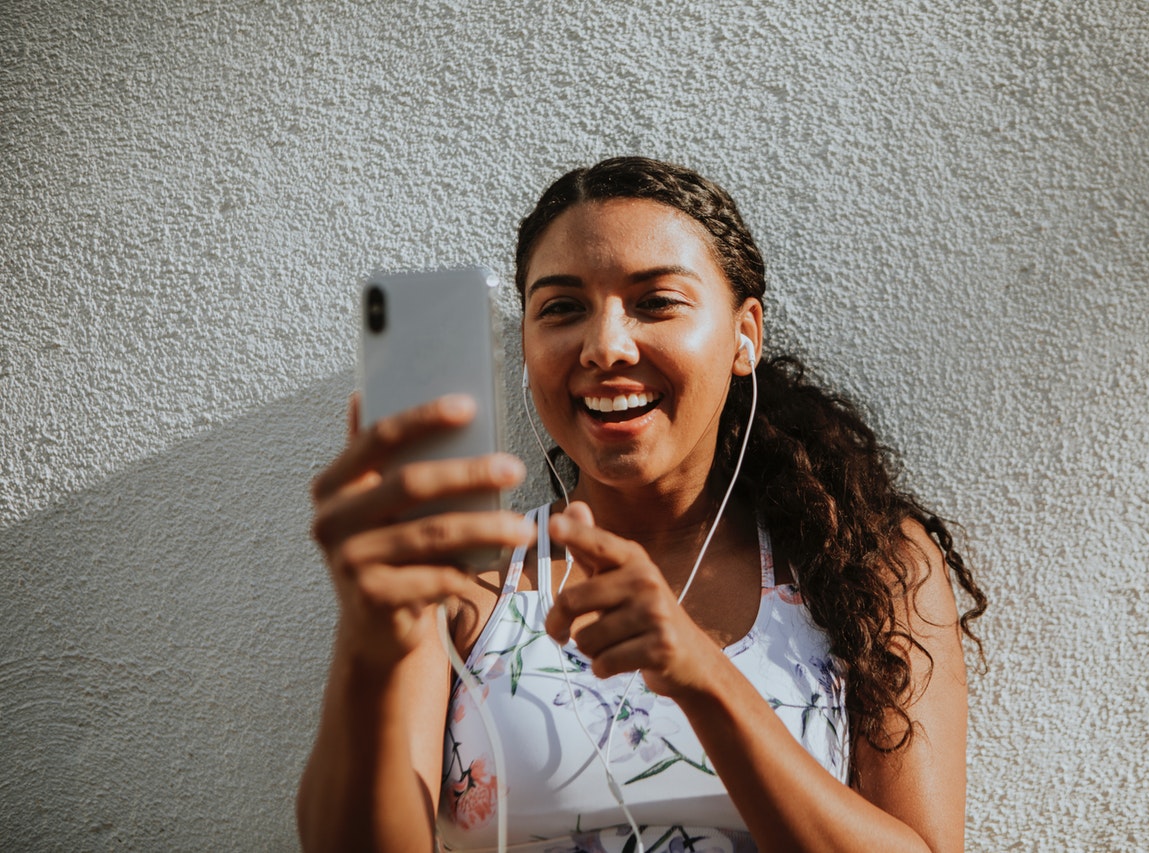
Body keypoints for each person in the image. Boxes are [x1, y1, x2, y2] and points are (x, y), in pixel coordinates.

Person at [297, 157, 987, 853]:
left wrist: (703, 675)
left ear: (745, 334)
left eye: (655, 301)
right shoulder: (459, 578)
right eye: (563, 308)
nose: (604, 347)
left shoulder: (864, 560)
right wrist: (367, 644)